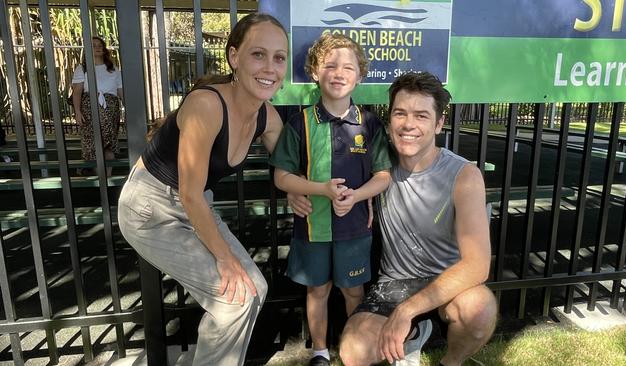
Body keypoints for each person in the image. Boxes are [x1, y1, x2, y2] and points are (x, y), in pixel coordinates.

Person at [289, 72, 498, 366]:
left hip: (445, 281)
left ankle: (450, 362)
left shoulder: (464, 175)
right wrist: (296, 189)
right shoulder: (373, 164)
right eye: (400, 113)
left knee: (481, 309)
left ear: (439, 123)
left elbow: (477, 266)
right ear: (389, 123)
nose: (409, 124)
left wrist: (406, 311)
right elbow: (321, 174)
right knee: (353, 351)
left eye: (422, 115)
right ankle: (412, 334)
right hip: (394, 281)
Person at [117, 13, 288, 366]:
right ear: (234, 57)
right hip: (149, 208)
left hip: (192, 204)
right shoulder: (206, 105)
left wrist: (308, 191)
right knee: (234, 300)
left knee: (255, 289)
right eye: (258, 54)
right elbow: (189, 193)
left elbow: (290, 167)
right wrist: (225, 260)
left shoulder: (268, 118)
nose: (270, 67)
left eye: (279, 57)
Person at [270, 33, 392, 366]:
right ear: (314, 72)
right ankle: (320, 351)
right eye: (330, 65)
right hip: (312, 228)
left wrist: (356, 196)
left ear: (360, 75)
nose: (339, 73)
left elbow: (383, 176)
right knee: (318, 290)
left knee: (354, 292)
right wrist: (321, 189)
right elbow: (281, 176)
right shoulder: (299, 123)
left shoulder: (370, 124)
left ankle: (357, 349)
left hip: (355, 229)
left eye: (348, 67)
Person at [71, 36, 123, 175]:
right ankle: (98, 175)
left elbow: (120, 90)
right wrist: (77, 112)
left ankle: (108, 175)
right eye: (94, 45)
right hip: (90, 107)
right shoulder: (82, 68)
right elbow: (77, 92)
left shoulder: (113, 69)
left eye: (100, 45)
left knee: (109, 144)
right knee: (94, 143)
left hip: (110, 107)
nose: (98, 47)